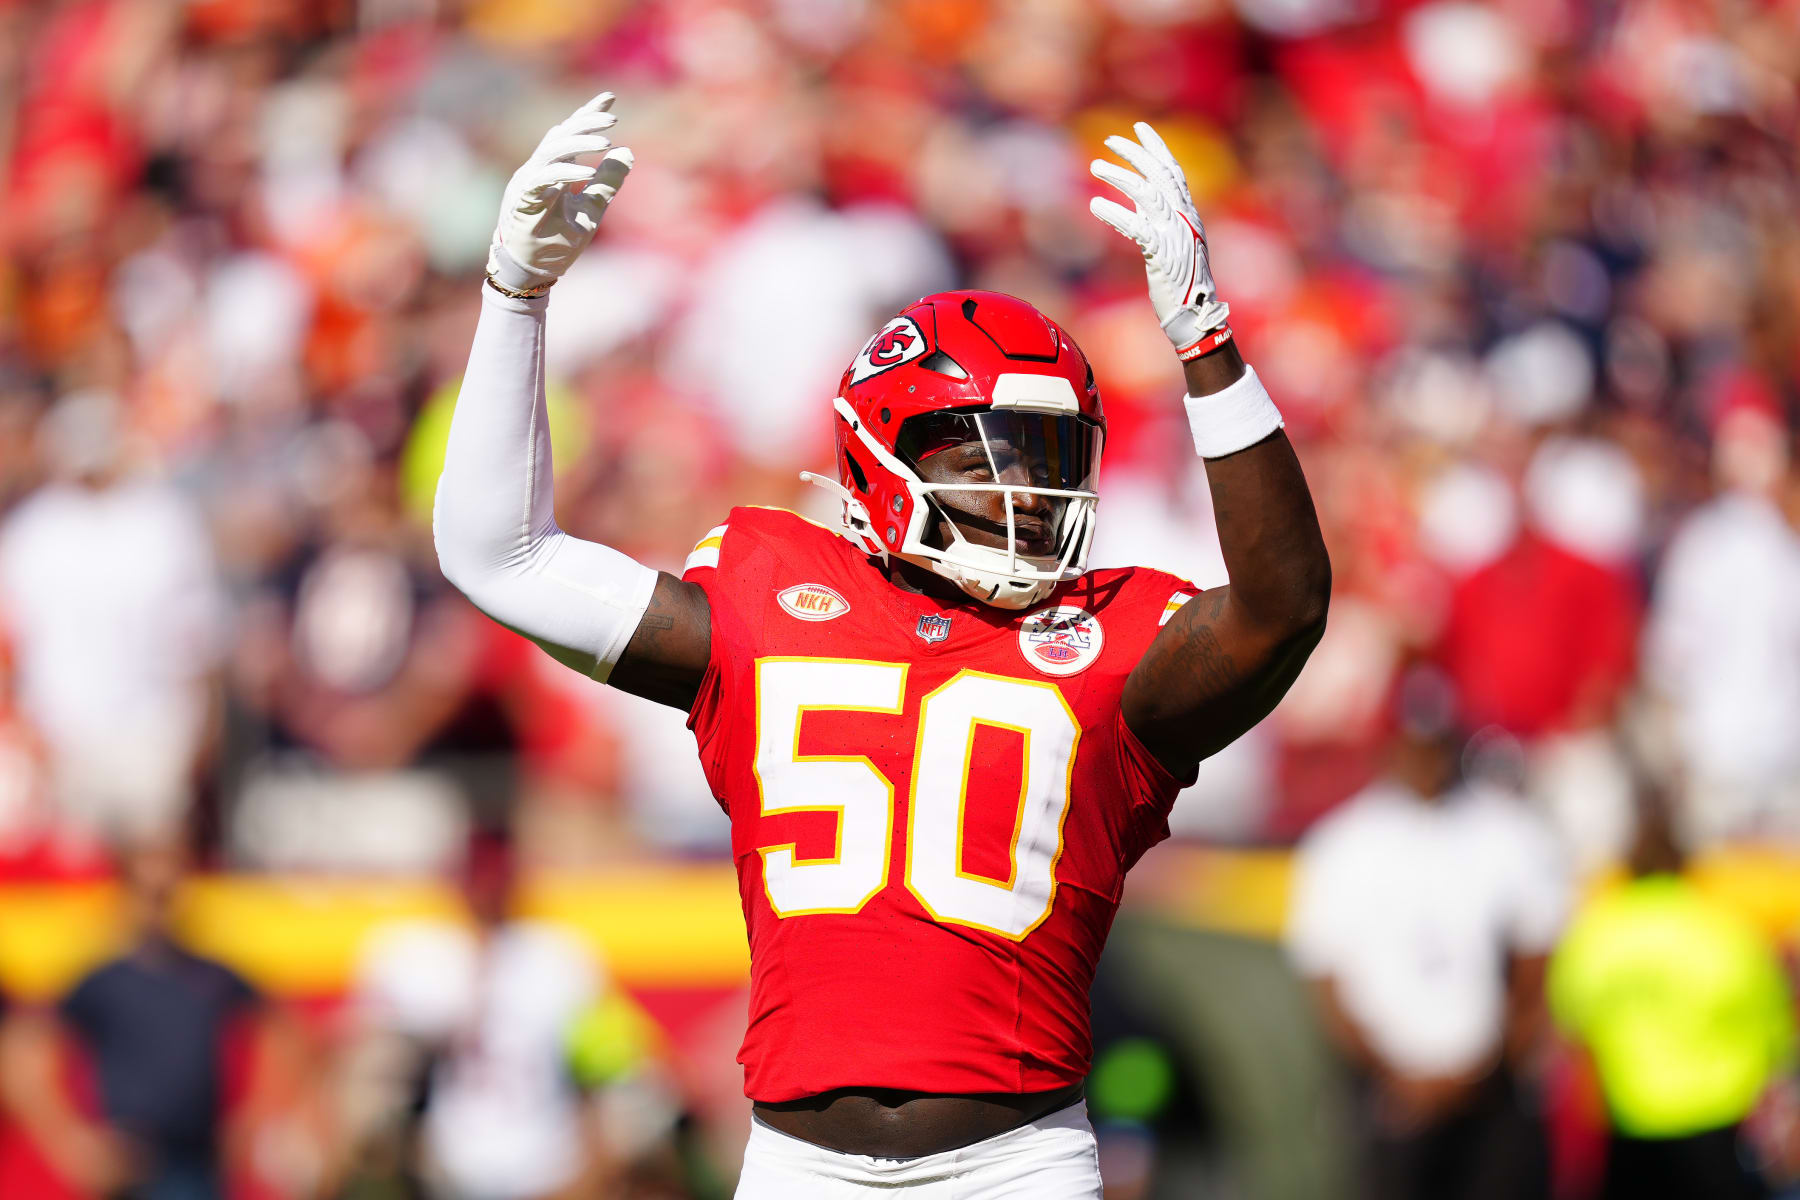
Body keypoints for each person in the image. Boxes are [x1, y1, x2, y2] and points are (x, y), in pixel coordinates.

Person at [433, 91, 1330, 1196]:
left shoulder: (1104, 634)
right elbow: (501, 558)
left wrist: (1204, 338)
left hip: (1018, 1166)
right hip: (798, 1166)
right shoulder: (771, 599)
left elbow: (1282, 609)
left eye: (1048, 449)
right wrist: (514, 296)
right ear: (877, 458)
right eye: (985, 451)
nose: (1024, 485)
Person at [1285, 675, 1572, 1200]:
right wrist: (1394, 1078)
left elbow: (1536, 960)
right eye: (1413, 745)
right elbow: (1326, 981)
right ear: (1388, 747)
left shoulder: (1509, 831)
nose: (1426, 761)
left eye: (1436, 744)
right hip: (1391, 1099)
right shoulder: (1341, 845)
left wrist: (1488, 1068)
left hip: (1491, 1092)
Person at [0, 838, 305, 1200]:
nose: (159, 906)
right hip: (125, 1159)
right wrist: (71, 1141)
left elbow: (284, 1035)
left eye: (168, 891)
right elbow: (27, 1051)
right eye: (148, 892)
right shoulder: (101, 982)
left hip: (197, 1160)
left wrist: (256, 1121)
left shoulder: (214, 976)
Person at [1549, 781, 1796, 1200]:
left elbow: (1570, 1019)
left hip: (1626, 1118)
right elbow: (1773, 1019)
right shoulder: (1725, 929)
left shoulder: (1597, 931)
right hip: (1717, 1117)